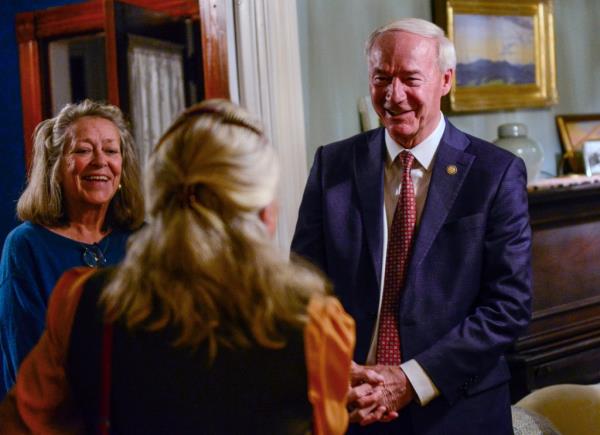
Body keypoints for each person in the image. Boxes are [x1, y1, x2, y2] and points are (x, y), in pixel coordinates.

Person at [0, 99, 355, 434]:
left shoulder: (82, 299)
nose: (99, 160)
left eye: (110, 150)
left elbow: (23, 425)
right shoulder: (317, 322)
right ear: (266, 213)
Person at [291, 18, 532, 434]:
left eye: (410, 79)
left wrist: (410, 379)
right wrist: (334, 368)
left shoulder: (495, 173)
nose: (393, 95)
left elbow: (508, 307)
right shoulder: (332, 166)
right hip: (351, 404)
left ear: (445, 80)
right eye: (381, 77)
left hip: (457, 408)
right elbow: (300, 288)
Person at [0, 100, 144, 398]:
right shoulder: (26, 246)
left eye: (110, 150)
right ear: (56, 167)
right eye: (82, 150)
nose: (99, 161)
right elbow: (28, 367)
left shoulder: (146, 241)